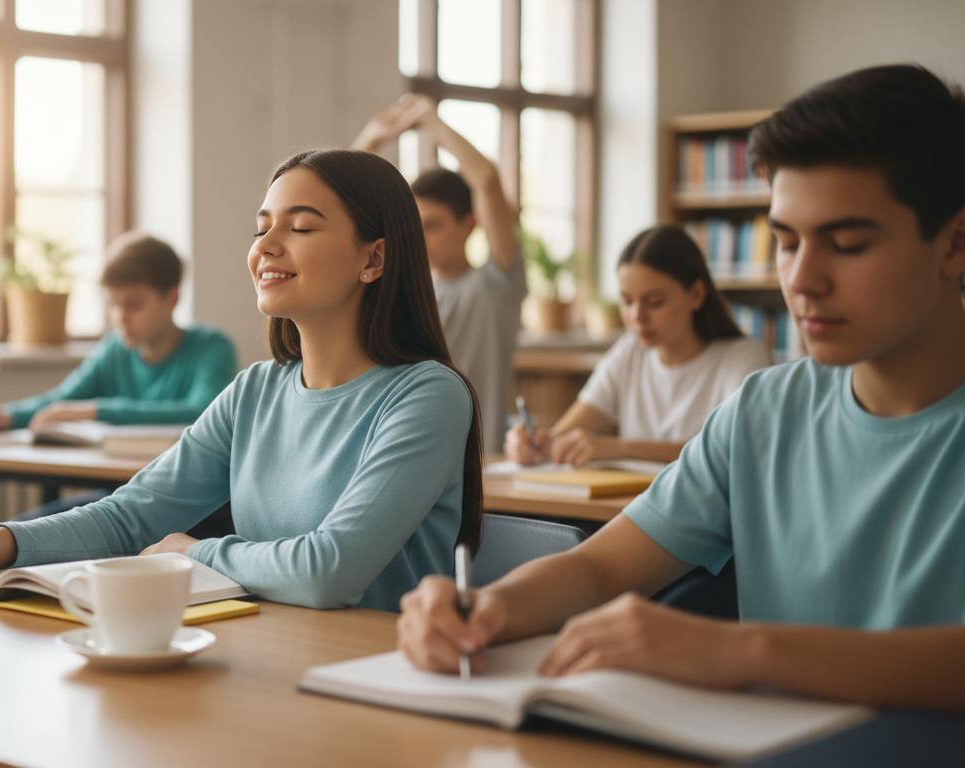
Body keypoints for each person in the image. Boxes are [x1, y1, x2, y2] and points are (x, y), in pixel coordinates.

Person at [396, 64, 965, 714]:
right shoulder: (763, 412)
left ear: (955, 243)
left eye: (848, 244)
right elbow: (603, 568)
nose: (803, 280)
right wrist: (487, 607)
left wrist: (739, 651)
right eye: (784, 242)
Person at [0, 149, 483, 611]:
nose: (266, 247)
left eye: (301, 227)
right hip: (265, 657)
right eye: (262, 229)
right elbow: (131, 514)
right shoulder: (255, 391)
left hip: (368, 684)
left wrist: (200, 551)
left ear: (374, 259)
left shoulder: (427, 396)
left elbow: (328, 573)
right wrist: (3, 541)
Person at [506, 225, 770, 467]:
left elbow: (732, 451)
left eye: (654, 302)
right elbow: (562, 435)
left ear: (696, 295)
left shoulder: (743, 359)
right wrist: (533, 445)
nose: (637, 316)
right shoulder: (630, 352)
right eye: (627, 301)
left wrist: (619, 448)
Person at [355, 95, 525, 452]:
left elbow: (487, 181)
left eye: (432, 225)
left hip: (476, 460)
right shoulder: (399, 288)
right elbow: (342, 211)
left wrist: (430, 122)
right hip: (406, 448)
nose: (420, 236)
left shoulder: (495, 284)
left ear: (468, 223)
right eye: (416, 225)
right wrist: (371, 141)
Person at [0, 232, 237, 434]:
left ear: (172, 298)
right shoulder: (114, 350)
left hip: (192, 506)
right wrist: (5, 417)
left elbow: (200, 410)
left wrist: (93, 411)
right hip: (119, 492)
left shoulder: (212, 348)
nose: (120, 317)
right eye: (113, 305)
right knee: (35, 515)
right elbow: (64, 399)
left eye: (134, 304)